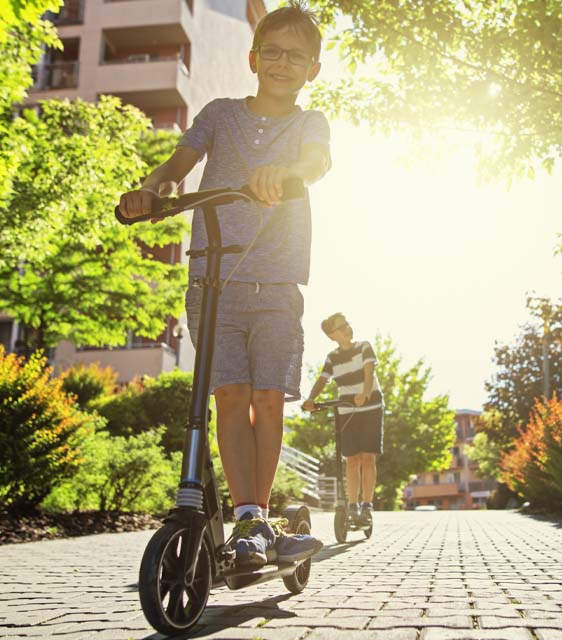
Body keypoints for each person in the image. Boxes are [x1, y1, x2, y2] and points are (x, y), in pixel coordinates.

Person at [117, 1, 329, 571]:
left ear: (313, 68)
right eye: (274, 52)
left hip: (277, 282)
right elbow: (177, 164)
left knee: (266, 399)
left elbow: (315, 164)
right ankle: (248, 519)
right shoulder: (219, 113)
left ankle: (256, 519)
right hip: (213, 278)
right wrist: (152, 187)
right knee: (229, 398)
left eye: (297, 56)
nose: (284, 63)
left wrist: (285, 174)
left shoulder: (309, 122)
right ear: (254, 58)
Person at [302, 313, 382, 524]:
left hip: (371, 407)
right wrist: (311, 399)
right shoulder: (332, 357)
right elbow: (322, 380)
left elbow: (369, 371)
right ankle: (352, 505)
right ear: (332, 335)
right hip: (347, 410)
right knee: (352, 459)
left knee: (367, 457)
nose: (347, 328)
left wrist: (365, 393)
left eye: (347, 324)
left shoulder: (364, 347)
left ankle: (366, 505)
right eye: (341, 327)